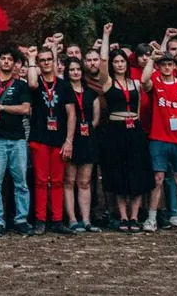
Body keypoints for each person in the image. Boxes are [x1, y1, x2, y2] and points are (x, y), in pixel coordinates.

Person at [96, 26, 151, 232]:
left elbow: (146, 79)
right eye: (116, 61)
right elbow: (102, 62)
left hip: (134, 129)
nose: (119, 64)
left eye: (122, 61)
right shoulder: (107, 82)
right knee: (119, 173)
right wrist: (106, 36)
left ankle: (135, 216)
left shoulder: (135, 83)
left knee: (136, 173)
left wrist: (153, 56)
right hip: (116, 130)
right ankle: (123, 217)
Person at [142, 47, 177, 232]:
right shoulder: (156, 84)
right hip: (158, 139)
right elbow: (144, 81)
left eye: (170, 64)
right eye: (163, 65)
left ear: (174, 66)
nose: (167, 67)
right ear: (158, 67)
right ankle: (151, 218)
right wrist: (151, 59)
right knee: (157, 178)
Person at [26, 47, 77, 235]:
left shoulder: (63, 85)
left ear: (55, 62)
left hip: (59, 139)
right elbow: (31, 83)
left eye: (49, 59)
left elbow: (72, 113)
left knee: (57, 181)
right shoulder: (35, 82)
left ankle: (57, 219)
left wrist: (69, 141)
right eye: (43, 60)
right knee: (40, 180)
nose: (47, 63)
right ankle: (40, 219)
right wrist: (31, 58)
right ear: (38, 64)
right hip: (39, 138)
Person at [0, 49, 32, 237]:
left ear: (14, 64)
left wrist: (2, 107)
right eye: (2, 58)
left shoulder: (21, 86)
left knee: (21, 183)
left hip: (18, 140)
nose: (5, 61)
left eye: (9, 59)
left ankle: (21, 219)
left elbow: (25, 109)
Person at [62, 57, 101, 232]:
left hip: (87, 139)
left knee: (84, 182)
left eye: (78, 69)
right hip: (70, 139)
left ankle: (86, 219)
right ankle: (72, 218)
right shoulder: (63, 90)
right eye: (72, 69)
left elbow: (95, 119)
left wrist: (85, 131)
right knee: (69, 180)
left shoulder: (91, 93)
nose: (75, 72)